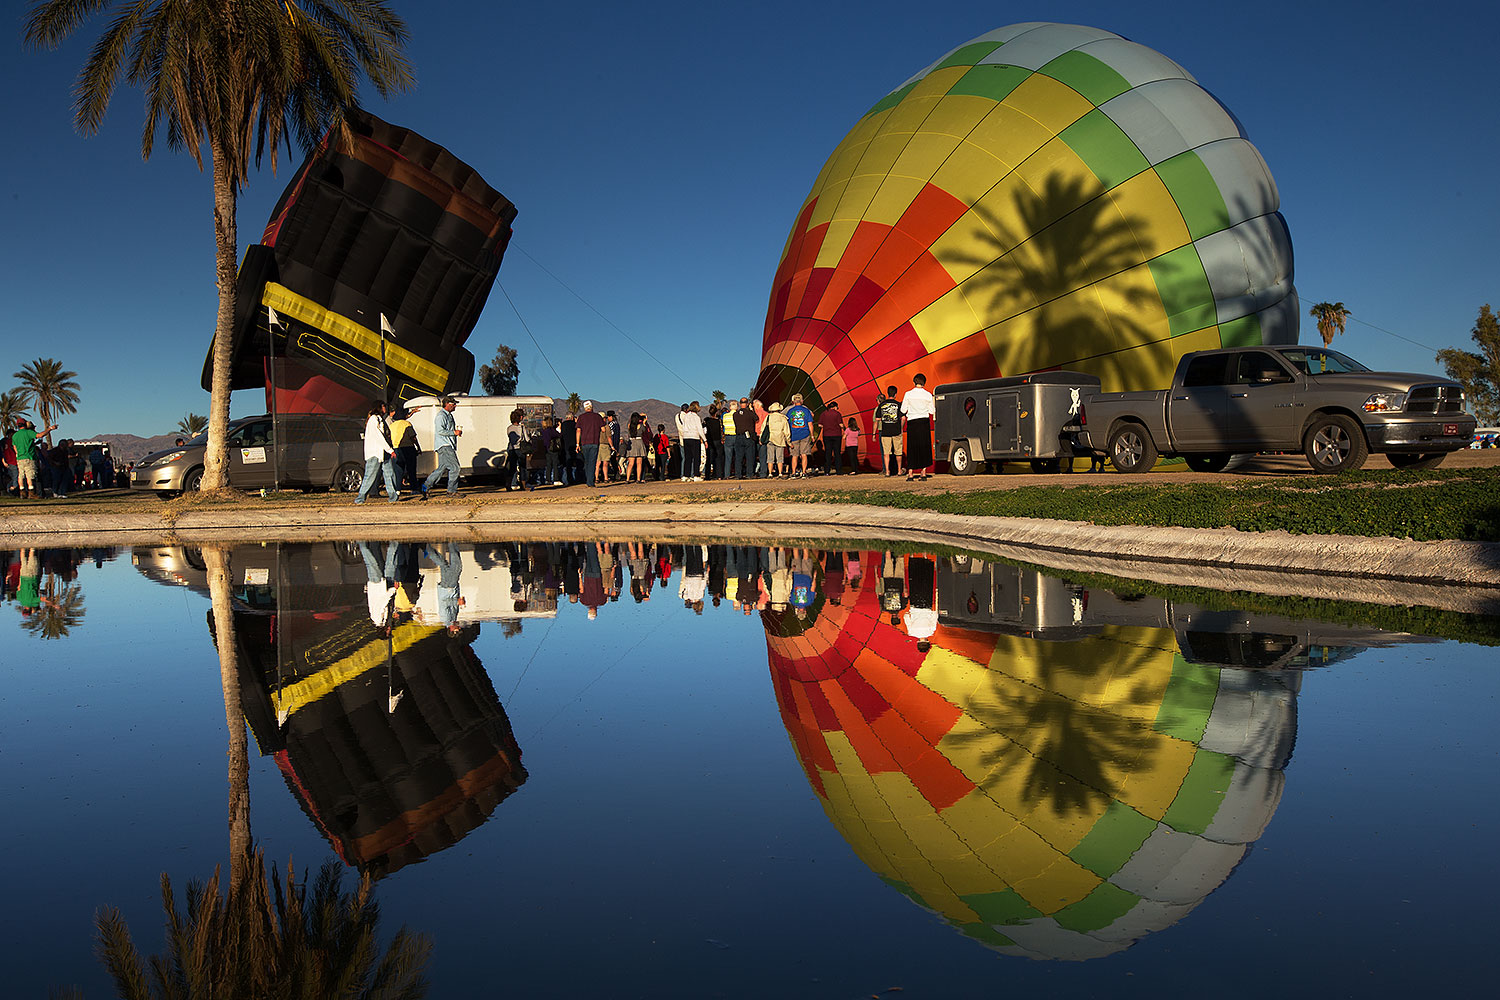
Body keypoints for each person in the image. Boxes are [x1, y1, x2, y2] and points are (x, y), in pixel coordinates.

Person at [355, 401, 400, 504]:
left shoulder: (380, 419)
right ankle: (360, 498)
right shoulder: (374, 419)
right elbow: (378, 436)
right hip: (375, 452)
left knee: (389, 473)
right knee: (370, 475)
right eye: (384, 406)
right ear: (379, 407)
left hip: (383, 452)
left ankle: (393, 496)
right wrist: (390, 450)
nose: (385, 408)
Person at [420, 396, 462, 499]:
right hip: (445, 445)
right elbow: (440, 431)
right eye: (453, 404)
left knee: (441, 469)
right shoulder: (441, 416)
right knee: (455, 468)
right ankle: (451, 491)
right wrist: (454, 432)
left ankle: (425, 486)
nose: (455, 406)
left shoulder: (448, 416)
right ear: (447, 404)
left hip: (445, 445)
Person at [901, 373, 936, 481]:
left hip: (912, 422)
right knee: (924, 447)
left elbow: (903, 410)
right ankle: (923, 472)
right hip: (924, 422)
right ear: (924, 382)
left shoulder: (908, 394)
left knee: (912, 447)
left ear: (914, 381)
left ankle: (910, 473)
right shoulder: (928, 395)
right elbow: (932, 411)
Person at [388, 406, 420, 492]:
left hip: (396, 449)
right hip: (408, 448)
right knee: (411, 470)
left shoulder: (392, 426)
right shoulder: (407, 424)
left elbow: (389, 438)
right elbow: (413, 437)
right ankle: (414, 489)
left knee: (398, 471)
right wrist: (418, 447)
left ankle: (397, 489)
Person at [875, 385, 903, 477]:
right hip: (896, 431)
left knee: (886, 453)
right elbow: (903, 418)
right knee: (898, 452)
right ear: (895, 394)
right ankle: (899, 470)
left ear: (887, 393)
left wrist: (873, 433)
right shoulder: (898, 404)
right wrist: (901, 428)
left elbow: (877, 419)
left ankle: (887, 471)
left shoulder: (882, 405)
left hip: (885, 432)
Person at [784, 393, 814, 478]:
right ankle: (804, 472)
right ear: (802, 401)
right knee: (804, 454)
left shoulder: (789, 411)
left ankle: (793, 473)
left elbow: (787, 423)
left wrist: (787, 436)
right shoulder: (806, 410)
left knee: (794, 455)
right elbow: (810, 424)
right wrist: (812, 435)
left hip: (794, 435)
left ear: (793, 401)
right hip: (805, 434)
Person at [576, 400, 605, 487]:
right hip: (594, 442)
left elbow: (578, 431)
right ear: (592, 407)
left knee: (587, 462)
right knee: (592, 462)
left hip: (584, 442)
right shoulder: (597, 417)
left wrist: (577, 443)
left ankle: (588, 479)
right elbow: (603, 429)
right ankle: (590, 481)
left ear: (585, 408)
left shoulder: (581, 417)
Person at [676, 402, 705, 481]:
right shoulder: (696, 417)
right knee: (696, 457)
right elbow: (699, 429)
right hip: (694, 438)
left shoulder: (686, 416)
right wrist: (704, 439)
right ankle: (696, 475)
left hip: (686, 438)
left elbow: (684, 426)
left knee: (688, 458)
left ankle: (686, 475)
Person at [764, 402, 790, 477]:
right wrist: (788, 442)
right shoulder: (783, 418)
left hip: (770, 438)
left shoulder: (768, 417)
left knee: (770, 457)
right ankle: (780, 473)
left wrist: (761, 439)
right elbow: (786, 431)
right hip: (780, 439)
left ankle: (770, 473)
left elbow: (763, 428)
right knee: (780, 457)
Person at [818, 399, 844, 475]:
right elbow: (841, 424)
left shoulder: (823, 414)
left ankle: (827, 471)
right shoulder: (837, 414)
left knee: (828, 453)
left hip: (826, 435)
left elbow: (820, 425)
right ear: (835, 407)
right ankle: (838, 471)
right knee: (837, 453)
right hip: (836, 435)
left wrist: (827, 426)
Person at [540, 415, 564, 486]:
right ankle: (556, 479)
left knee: (548, 464)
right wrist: (559, 428)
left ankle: (548, 479)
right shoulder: (551, 430)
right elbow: (559, 435)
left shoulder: (543, 430)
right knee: (555, 464)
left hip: (546, 449)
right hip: (553, 448)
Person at [704, 403, 723, 480]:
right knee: (718, 458)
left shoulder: (706, 421)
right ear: (716, 413)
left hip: (710, 441)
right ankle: (718, 475)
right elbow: (722, 431)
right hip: (717, 440)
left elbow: (704, 431)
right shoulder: (719, 421)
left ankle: (707, 475)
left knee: (709, 458)